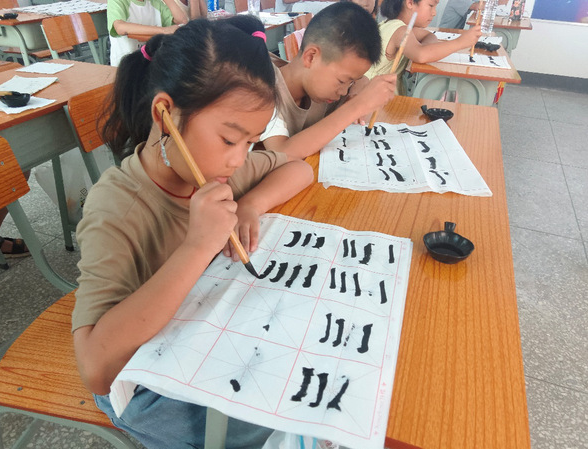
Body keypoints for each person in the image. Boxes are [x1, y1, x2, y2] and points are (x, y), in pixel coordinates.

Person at [71, 16, 314, 449]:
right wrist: (198, 246)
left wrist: (251, 204)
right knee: (283, 420)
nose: (239, 160)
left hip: (200, 339)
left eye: (252, 142)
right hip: (143, 384)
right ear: (164, 115)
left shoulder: (219, 173)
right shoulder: (116, 206)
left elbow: (298, 169)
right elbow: (97, 369)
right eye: (229, 140)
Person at [260, 2, 397, 160]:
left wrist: (354, 94)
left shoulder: (324, 83)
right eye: (342, 81)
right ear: (311, 57)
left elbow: (363, 80)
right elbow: (281, 153)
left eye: (350, 82)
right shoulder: (262, 87)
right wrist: (357, 106)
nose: (343, 92)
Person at [365, 0, 481, 95]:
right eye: (431, 6)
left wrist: (425, 47)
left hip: (382, 92)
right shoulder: (400, 30)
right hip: (373, 96)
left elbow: (428, 36)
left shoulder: (397, 25)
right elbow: (421, 55)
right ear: (410, 3)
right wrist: (460, 42)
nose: (434, 13)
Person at [107, 0, 187, 66]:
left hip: (151, 65)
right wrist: (163, 30)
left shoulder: (155, 3)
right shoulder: (117, 1)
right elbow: (120, 28)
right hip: (125, 67)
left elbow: (181, 21)